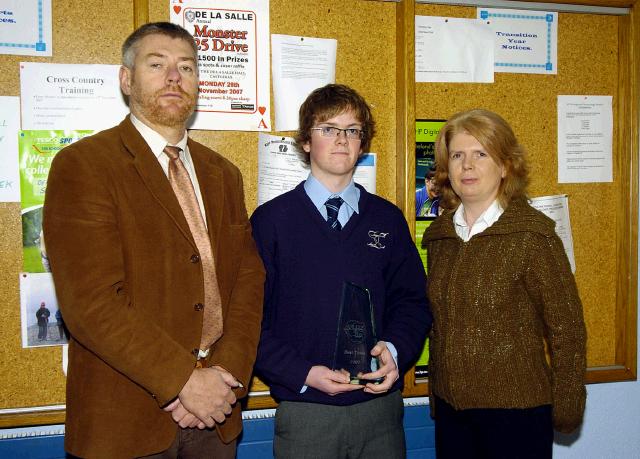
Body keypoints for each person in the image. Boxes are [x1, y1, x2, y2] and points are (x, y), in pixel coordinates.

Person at [42, 22, 265, 458]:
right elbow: (91, 302)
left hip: (215, 418)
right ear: (127, 80)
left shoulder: (224, 174)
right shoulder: (84, 165)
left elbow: (247, 284)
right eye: (157, 63)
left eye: (186, 66)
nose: (174, 77)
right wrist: (185, 382)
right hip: (124, 420)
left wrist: (222, 376)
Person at [250, 84, 432, 459]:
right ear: (305, 141)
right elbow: (248, 321)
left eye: (352, 130)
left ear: (362, 143)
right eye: (328, 128)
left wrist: (396, 352)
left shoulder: (387, 219)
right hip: (306, 413)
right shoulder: (271, 222)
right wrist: (302, 374)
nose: (341, 140)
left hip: (378, 411)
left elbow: (413, 301)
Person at [422, 109, 586, 458]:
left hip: (518, 415)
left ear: (505, 166)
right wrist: (438, 391)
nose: (467, 165)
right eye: (457, 155)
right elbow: (440, 326)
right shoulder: (440, 238)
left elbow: (567, 327)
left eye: (481, 154)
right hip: (454, 413)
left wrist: (568, 403)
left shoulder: (533, 235)